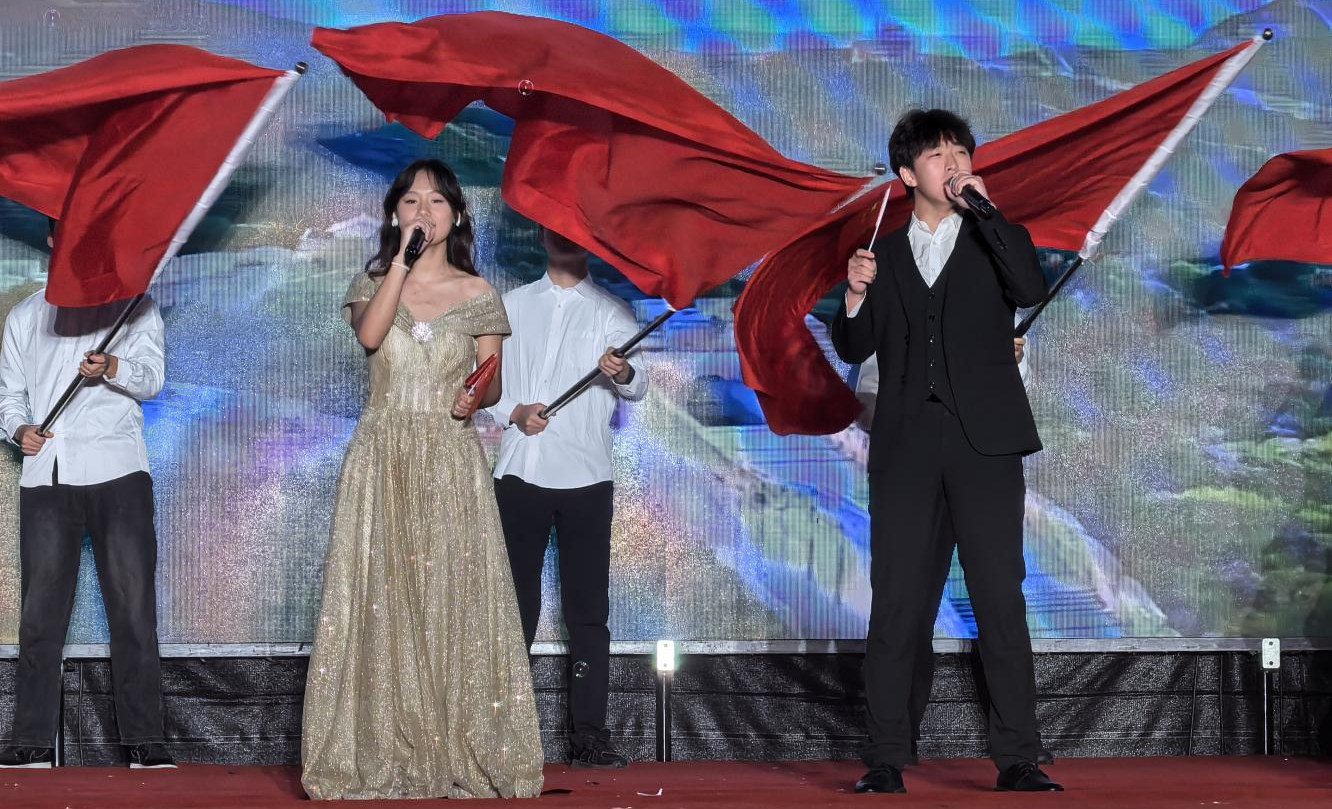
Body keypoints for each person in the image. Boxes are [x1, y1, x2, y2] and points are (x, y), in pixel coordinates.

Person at [832, 109, 1060, 794]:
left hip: (984, 444)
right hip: (905, 446)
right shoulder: (884, 253)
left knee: (998, 596)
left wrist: (988, 212)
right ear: (908, 174)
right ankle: (886, 754)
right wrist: (855, 293)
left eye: (961, 151)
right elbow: (853, 345)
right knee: (898, 601)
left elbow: (1031, 288)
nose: (954, 162)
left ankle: (1018, 756)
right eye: (937, 155)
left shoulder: (998, 237)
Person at [301, 160, 542, 800]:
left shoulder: (479, 293)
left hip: (450, 458)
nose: (423, 211)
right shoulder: (373, 282)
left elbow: (492, 381)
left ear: (456, 216)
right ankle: (381, 743)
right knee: (382, 595)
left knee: (451, 595)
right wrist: (400, 266)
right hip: (382, 455)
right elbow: (371, 336)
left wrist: (474, 396)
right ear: (395, 214)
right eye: (411, 200)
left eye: (436, 201)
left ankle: (460, 740)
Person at [0, 219, 173, 770]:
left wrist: (113, 367)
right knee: (40, 616)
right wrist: (18, 429)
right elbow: (9, 395)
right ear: (53, 241)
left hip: (119, 471)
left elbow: (153, 379)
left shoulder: (135, 307)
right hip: (47, 477)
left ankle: (145, 740)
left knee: (133, 609)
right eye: (66, 233)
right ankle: (31, 740)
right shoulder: (25, 315)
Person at [487, 228, 648, 769]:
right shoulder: (510, 305)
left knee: (588, 613)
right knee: (514, 610)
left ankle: (589, 737)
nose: (564, 237)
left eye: (575, 229)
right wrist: (514, 412)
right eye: (553, 227)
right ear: (539, 234)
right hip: (520, 474)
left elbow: (637, 385)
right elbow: (486, 385)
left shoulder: (614, 312)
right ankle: (501, 736)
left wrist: (624, 371)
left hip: (586, 479)